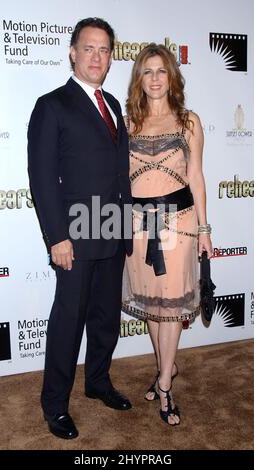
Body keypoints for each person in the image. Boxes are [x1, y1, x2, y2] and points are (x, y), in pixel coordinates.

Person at [28, 17, 133, 440]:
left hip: (111, 228)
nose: (97, 56)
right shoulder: (51, 105)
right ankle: (55, 405)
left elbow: (118, 172)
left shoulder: (113, 104)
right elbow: (41, 178)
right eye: (89, 48)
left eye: (104, 50)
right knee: (68, 322)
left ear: (111, 57)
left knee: (106, 317)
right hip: (74, 234)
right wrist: (57, 237)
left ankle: (98, 382)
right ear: (72, 52)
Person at [122, 44, 212, 426]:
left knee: (172, 304)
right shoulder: (128, 122)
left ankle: (163, 385)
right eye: (148, 71)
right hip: (138, 226)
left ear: (171, 76)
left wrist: (205, 229)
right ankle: (166, 368)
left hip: (180, 222)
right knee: (152, 305)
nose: (155, 78)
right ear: (139, 78)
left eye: (162, 71)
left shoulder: (188, 121)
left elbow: (196, 177)